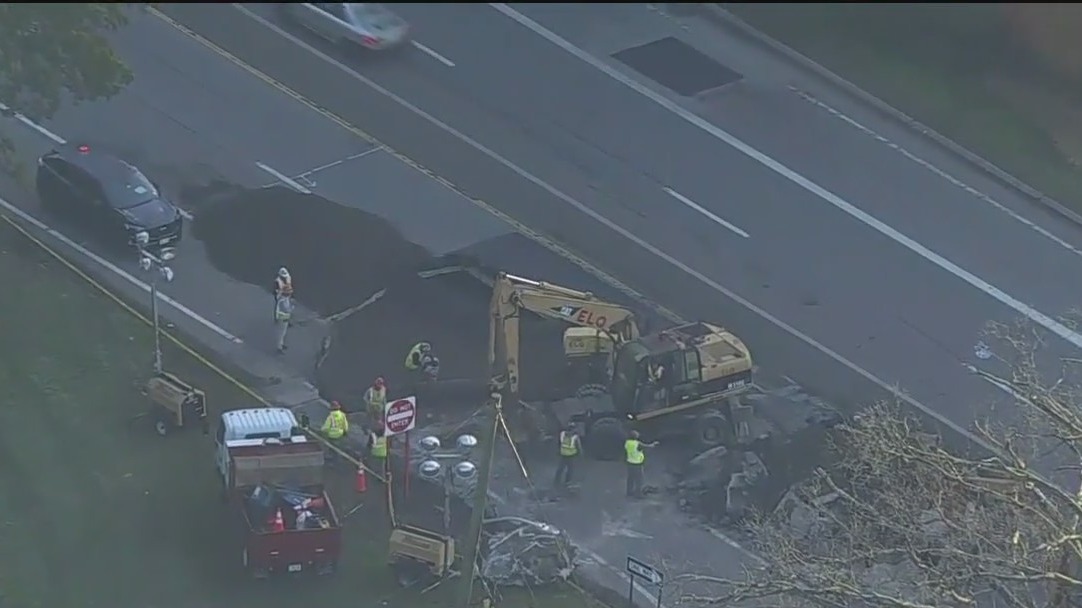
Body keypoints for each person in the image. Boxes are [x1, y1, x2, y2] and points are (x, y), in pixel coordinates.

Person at [624, 430, 657, 498]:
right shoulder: (637, 444)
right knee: (639, 479)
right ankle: (638, 494)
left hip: (630, 463)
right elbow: (647, 446)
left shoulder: (627, 443)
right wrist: (653, 444)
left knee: (630, 479)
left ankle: (629, 492)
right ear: (635, 437)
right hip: (637, 464)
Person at [554, 423, 581, 488]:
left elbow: (559, 443)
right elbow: (579, 447)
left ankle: (556, 481)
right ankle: (567, 482)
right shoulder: (575, 437)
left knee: (560, 468)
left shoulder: (562, 434)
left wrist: (558, 451)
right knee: (570, 469)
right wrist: (580, 454)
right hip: (571, 455)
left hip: (563, 454)